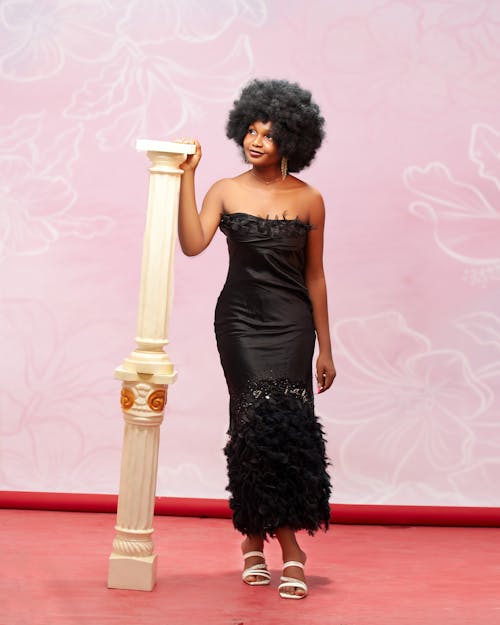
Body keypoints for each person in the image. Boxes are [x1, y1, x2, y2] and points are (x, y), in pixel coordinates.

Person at [177, 78, 336, 600]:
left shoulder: (311, 201)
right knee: (252, 426)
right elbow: (194, 243)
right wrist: (189, 178)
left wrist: (327, 348)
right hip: (241, 322)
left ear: (291, 140)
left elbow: (315, 277)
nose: (255, 141)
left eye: (268, 135)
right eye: (250, 130)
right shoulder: (224, 189)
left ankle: (253, 541)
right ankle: (288, 550)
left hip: (292, 327)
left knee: (289, 430)